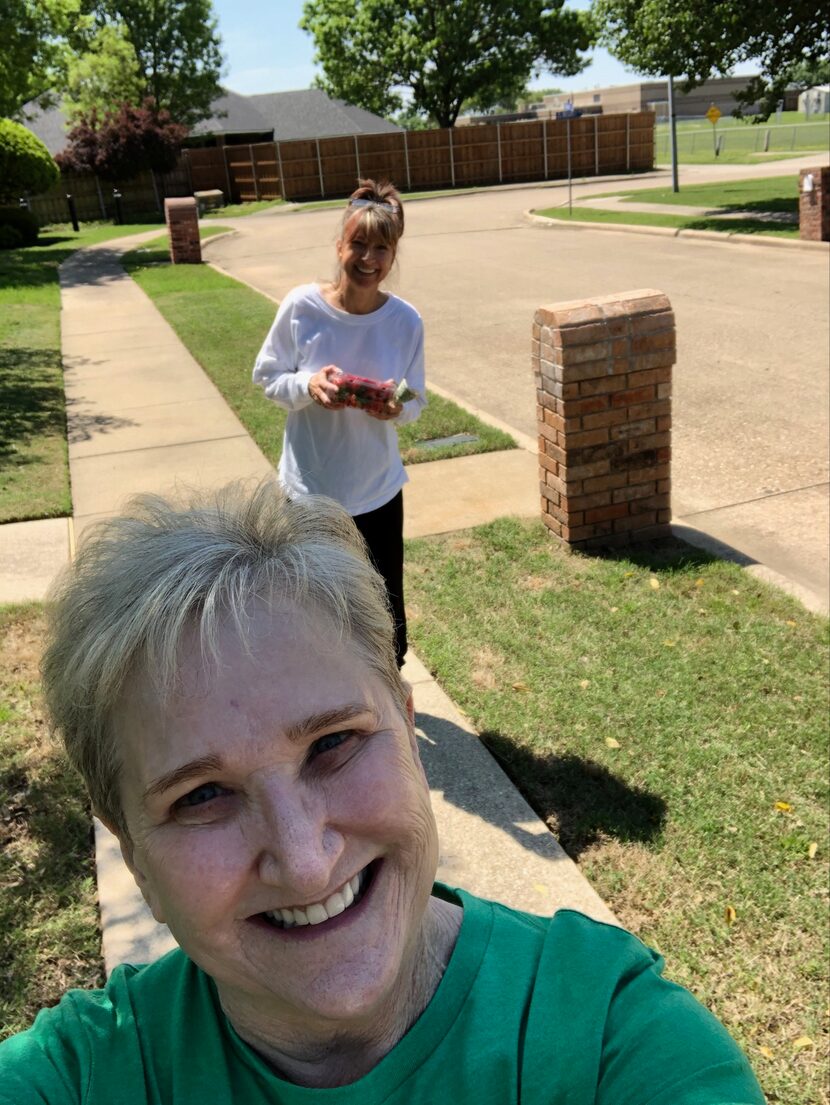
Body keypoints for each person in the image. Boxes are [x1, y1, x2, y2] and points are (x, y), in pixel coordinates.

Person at [0, 481, 767, 1104]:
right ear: (133, 854)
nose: (303, 863)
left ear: (408, 730)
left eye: (332, 743)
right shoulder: (79, 1077)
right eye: (201, 795)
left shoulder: (605, 1036)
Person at [252, 178, 425, 669]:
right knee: (314, 608)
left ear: (393, 255)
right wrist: (306, 386)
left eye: (381, 248)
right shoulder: (301, 307)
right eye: (359, 245)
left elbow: (416, 397)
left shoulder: (406, 321)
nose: (368, 259)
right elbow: (266, 376)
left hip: (377, 490)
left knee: (383, 608)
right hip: (310, 491)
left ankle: (387, 696)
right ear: (339, 246)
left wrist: (397, 407)